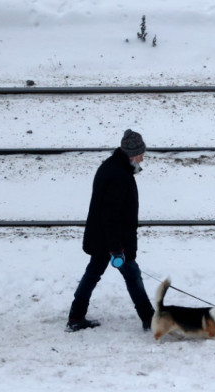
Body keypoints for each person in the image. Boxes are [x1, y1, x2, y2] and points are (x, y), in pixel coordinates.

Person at [66, 129, 155, 332]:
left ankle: (76, 316)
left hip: (103, 238)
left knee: (92, 274)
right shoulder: (118, 175)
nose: (143, 158)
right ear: (133, 154)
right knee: (132, 274)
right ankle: (149, 318)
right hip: (113, 241)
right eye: (141, 154)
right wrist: (116, 248)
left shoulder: (115, 167)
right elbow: (110, 216)